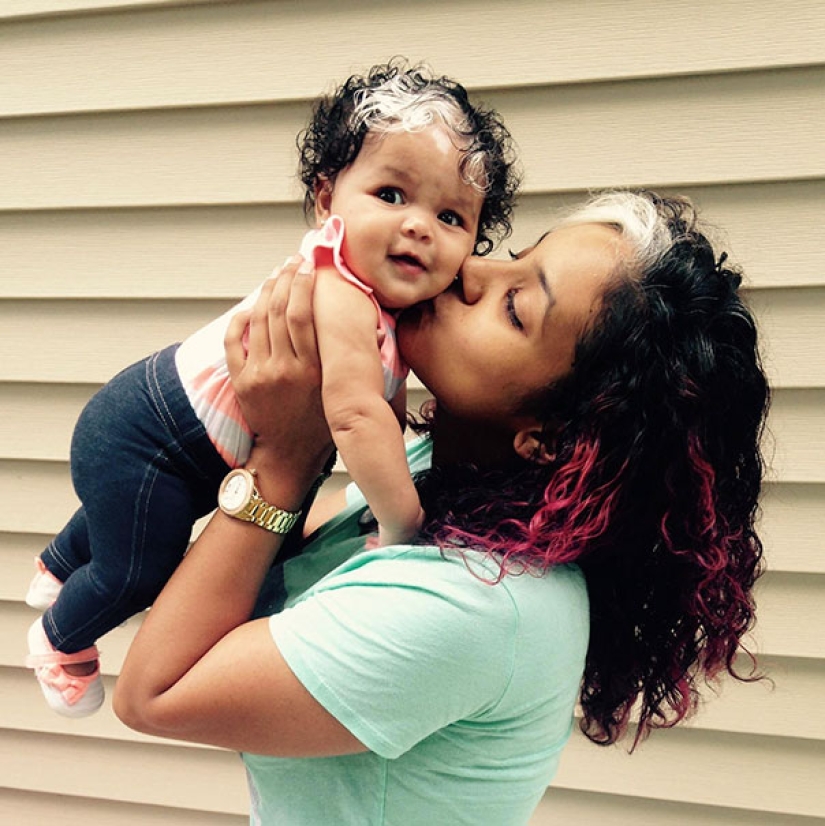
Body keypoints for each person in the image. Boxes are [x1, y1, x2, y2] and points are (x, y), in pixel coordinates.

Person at [112, 189, 770, 825]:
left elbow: (154, 693)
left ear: (549, 437)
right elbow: (278, 556)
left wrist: (283, 455)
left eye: (515, 307)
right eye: (514, 255)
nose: (470, 270)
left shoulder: (479, 604)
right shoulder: (446, 476)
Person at [23, 61, 519, 717]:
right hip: (151, 439)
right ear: (326, 200)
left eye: (451, 215)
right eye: (390, 194)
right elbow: (357, 416)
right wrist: (401, 520)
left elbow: (385, 404)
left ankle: (58, 564)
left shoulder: (382, 310)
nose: (419, 225)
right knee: (137, 569)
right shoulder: (341, 292)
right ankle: (58, 639)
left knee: (136, 518)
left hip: (160, 431)